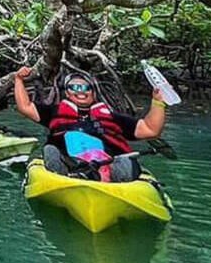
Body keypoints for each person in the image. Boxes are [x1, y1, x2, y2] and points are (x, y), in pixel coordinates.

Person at [13, 67, 167, 182]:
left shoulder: (113, 117)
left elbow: (150, 130)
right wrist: (19, 79)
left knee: (124, 163)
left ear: (94, 93)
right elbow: (25, 107)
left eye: (86, 87)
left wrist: (158, 101)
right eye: (74, 87)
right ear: (67, 93)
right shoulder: (54, 112)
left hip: (109, 164)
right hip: (70, 163)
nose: (81, 91)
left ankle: (113, 179)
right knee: (51, 150)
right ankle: (63, 176)